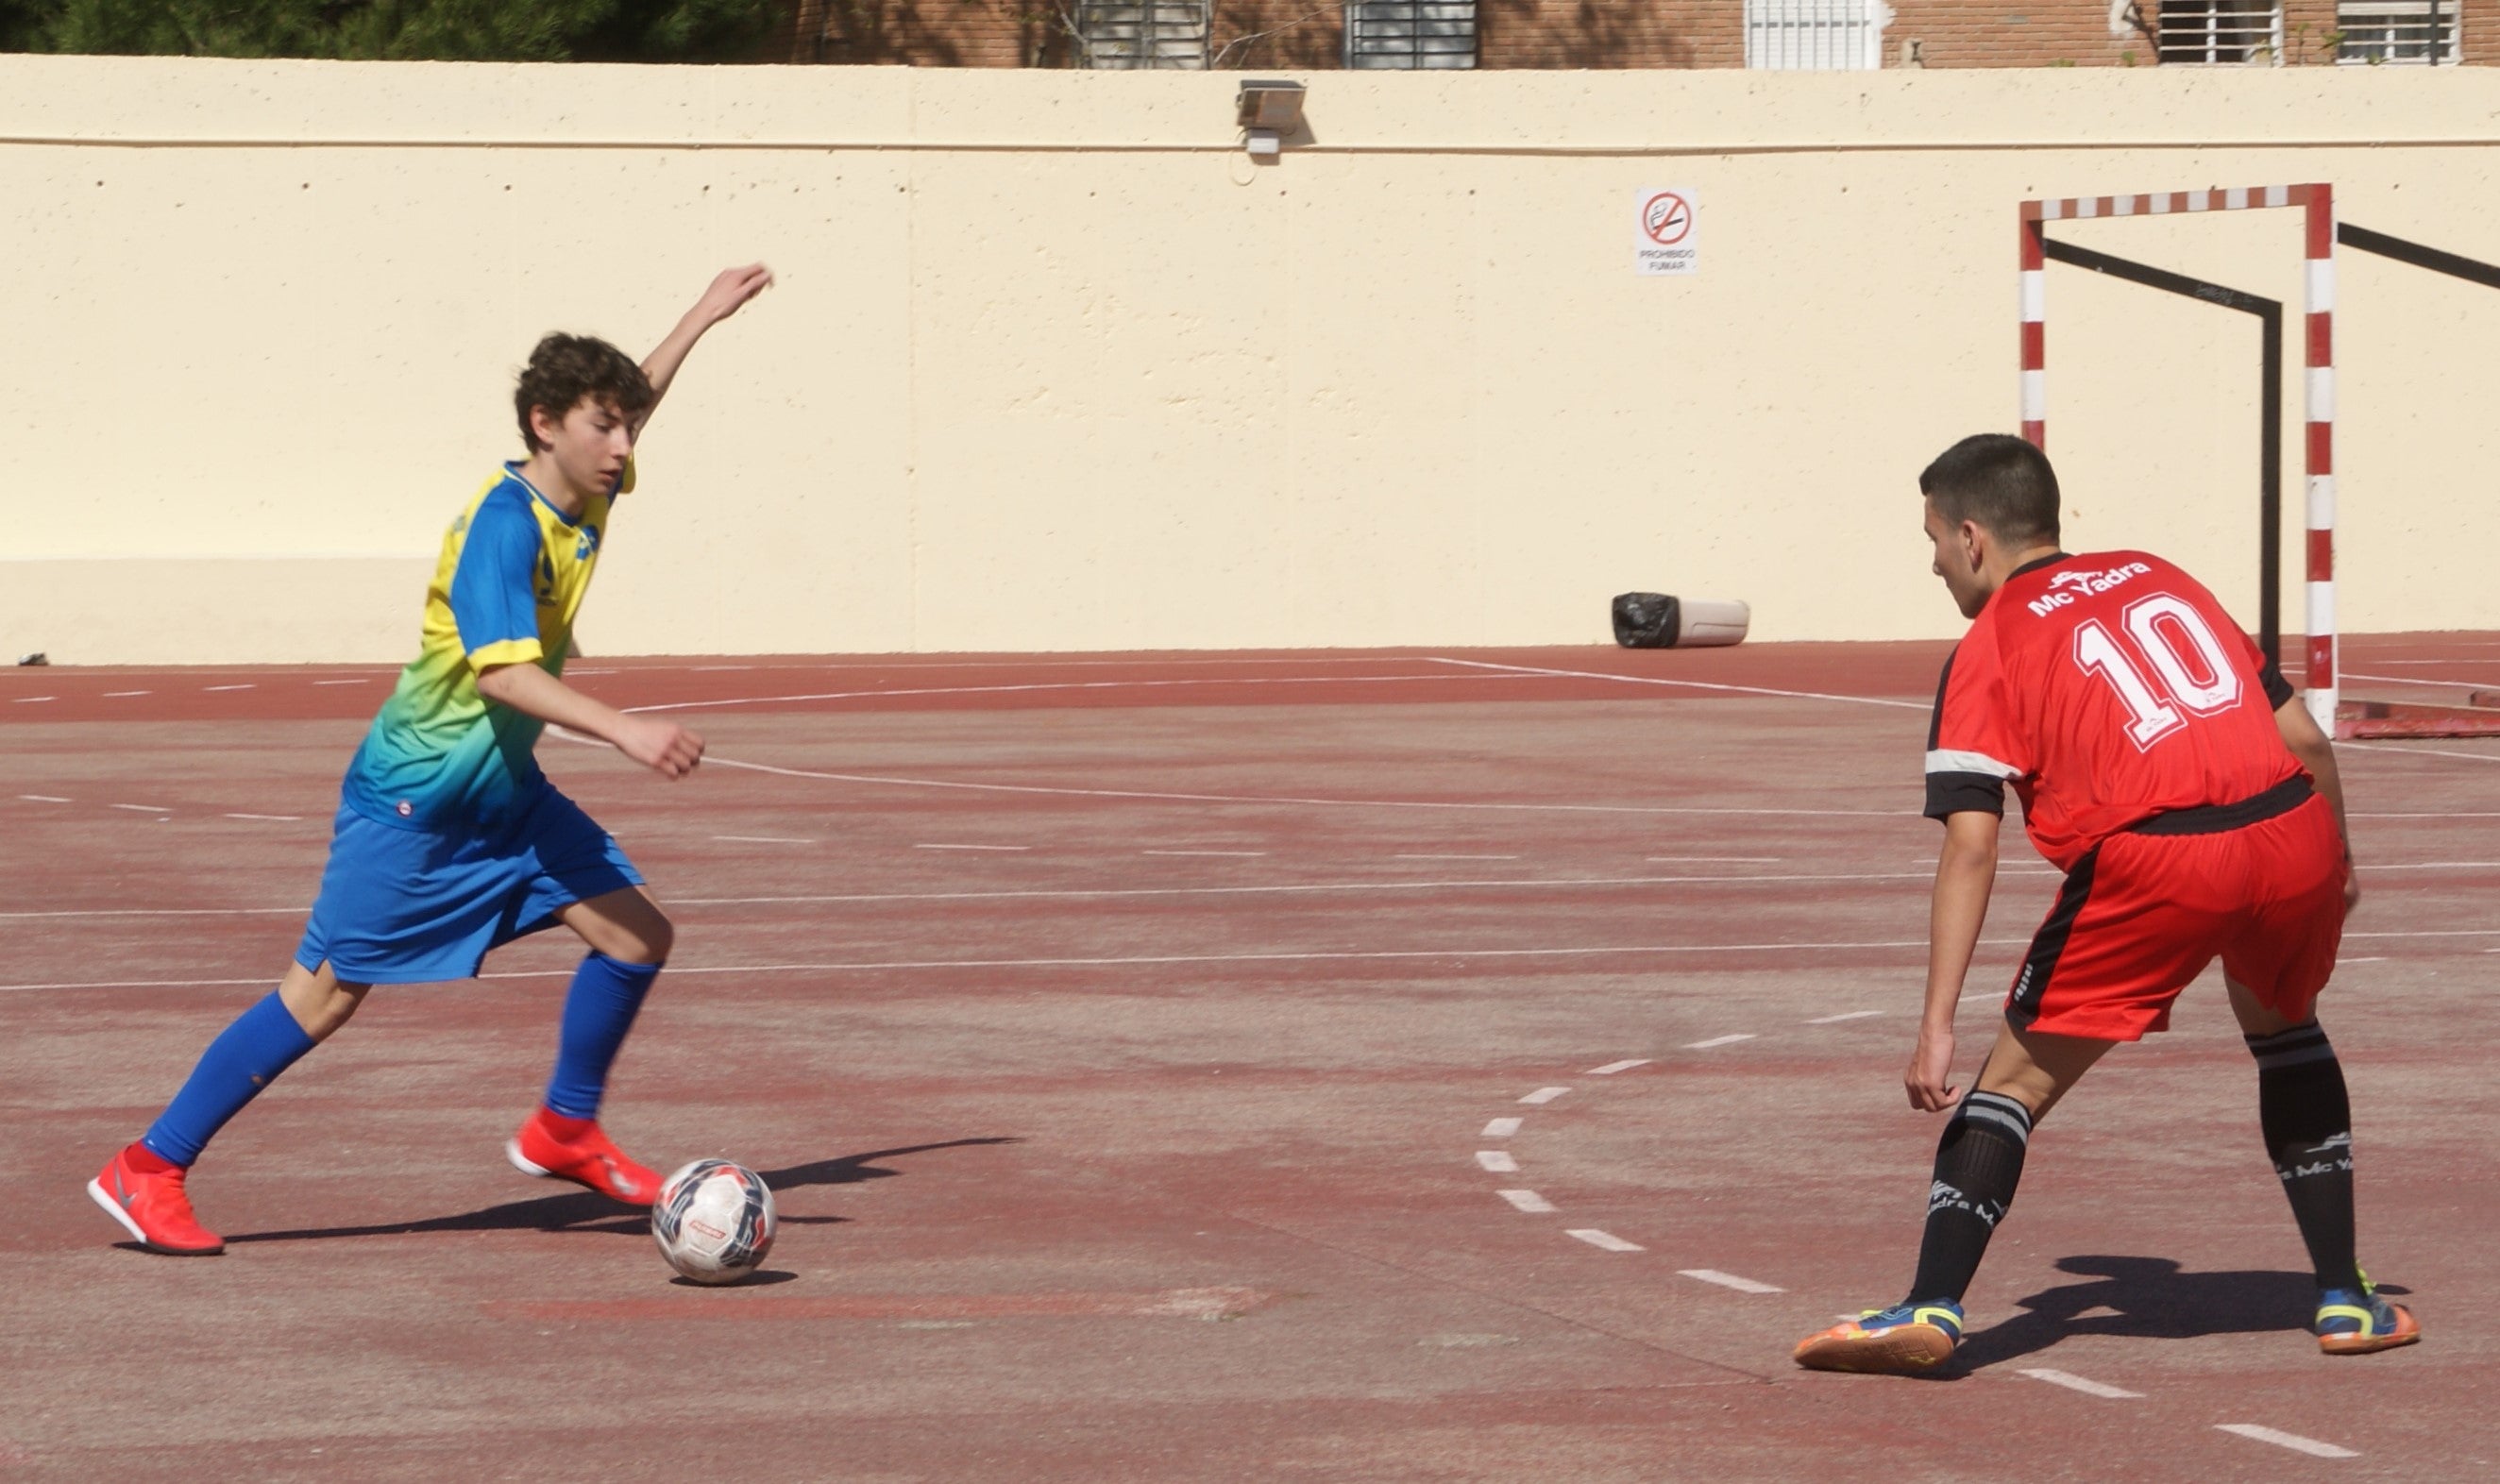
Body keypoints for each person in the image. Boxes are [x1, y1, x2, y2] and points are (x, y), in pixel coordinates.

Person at [88, 264, 775, 1256]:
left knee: (634, 937)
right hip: (417, 803)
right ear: (545, 425)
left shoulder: (585, 493)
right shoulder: (506, 526)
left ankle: (564, 1129)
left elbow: (636, 404)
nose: (624, 445)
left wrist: (699, 320)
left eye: (627, 426)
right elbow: (502, 675)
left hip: (506, 798)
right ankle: (147, 1167)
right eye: (603, 427)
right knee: (321, 996)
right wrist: (621, 727)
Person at [1792, 433, 2419, 1373]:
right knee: (2286, 1030)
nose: (1929, 562)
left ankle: (1928, 1308)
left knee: (2009, 1089)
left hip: (2158, 857)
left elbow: (1970, 845)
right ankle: (2343, 1300)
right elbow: (2302, 735)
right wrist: (2336, 856)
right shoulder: (2159, 574)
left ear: (1969, 538)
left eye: (1929, 540)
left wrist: (1932, 1024)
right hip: (2290, 832)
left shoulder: (1988, 644)